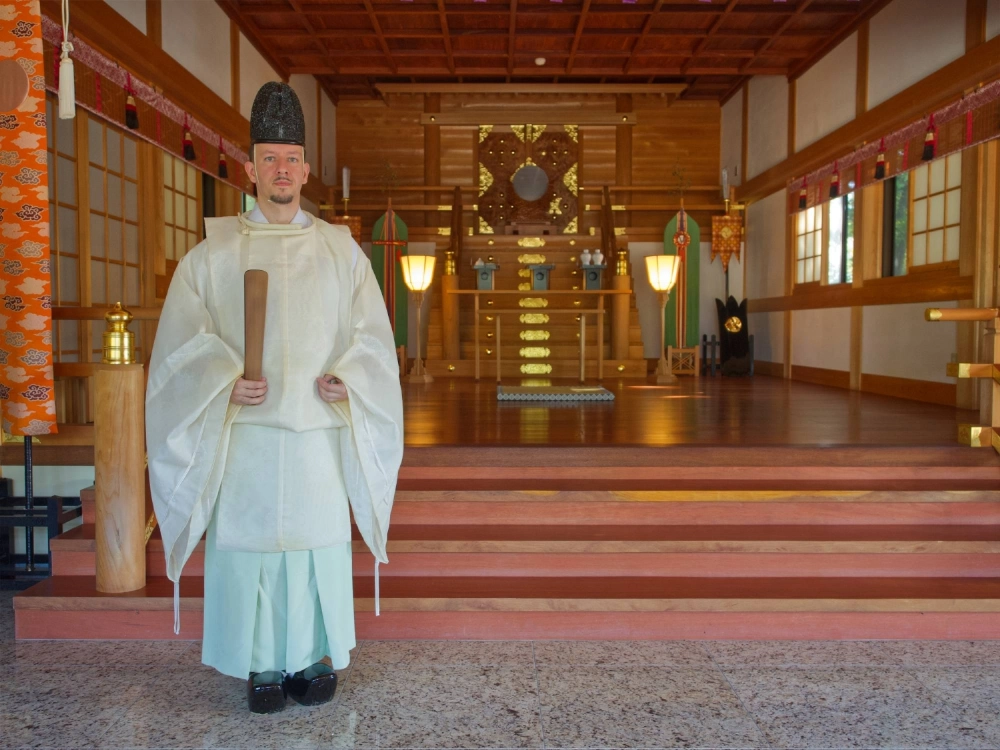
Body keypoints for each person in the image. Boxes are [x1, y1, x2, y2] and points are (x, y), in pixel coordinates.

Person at [146, 82, 403, 714]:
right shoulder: (212, 255)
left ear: (306, 169)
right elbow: (181, 345)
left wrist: (348, 377)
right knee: (251, 551)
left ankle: (313, 658)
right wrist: (222, 382)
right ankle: (259, 664)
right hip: (248, 432)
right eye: (269, 158)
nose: (281, 169)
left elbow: (371, 336)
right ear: (250, 168)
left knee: (316, 546)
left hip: (316, 428)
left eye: (291, 159)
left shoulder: (341, 251)